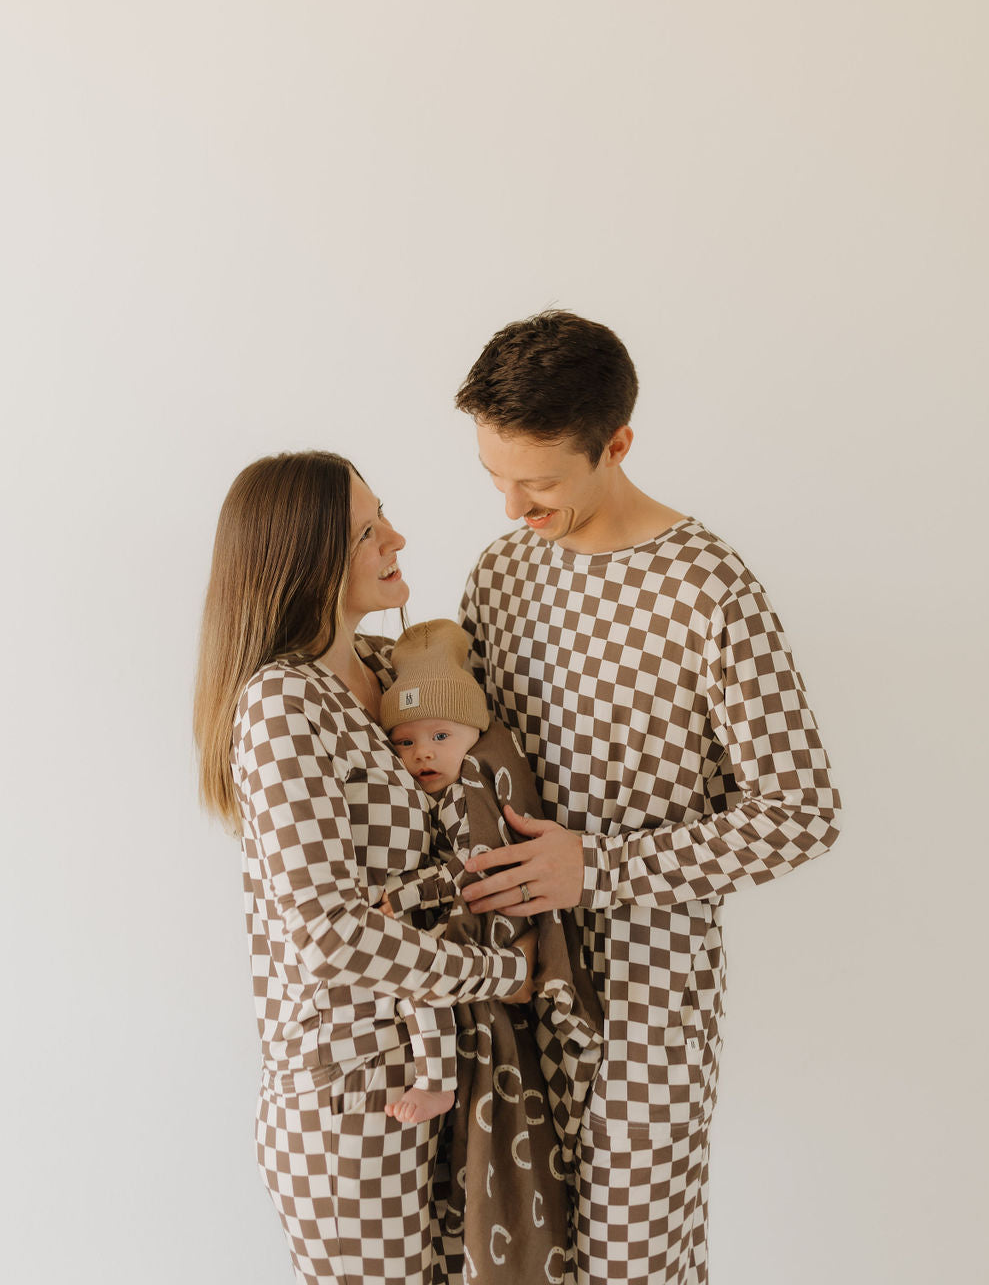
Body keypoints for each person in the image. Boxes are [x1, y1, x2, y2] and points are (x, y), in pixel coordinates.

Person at [452, 311, 842, 1285]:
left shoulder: (708, 589)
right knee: (518, 1258)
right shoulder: (500, 575)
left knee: (636, 1259)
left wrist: (599, 867)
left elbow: (800, 813)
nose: (510, 506)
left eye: (538, 482)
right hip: (509, 974)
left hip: (653, 984)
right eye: (493, 476)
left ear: (616, 444)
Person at [193, 452, 536, 1285]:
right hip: (347, 1094)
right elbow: (329, 935)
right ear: (305, 558)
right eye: (368, 532)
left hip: (431, 1066)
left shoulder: (386, 674)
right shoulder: (281, 703)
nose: (398, 539)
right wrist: (497, 972)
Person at [378, 617, 603, 1285]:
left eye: (440, 736)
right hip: (467, 936)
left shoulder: (478, 787)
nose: (424, 753)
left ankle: (439, 1080)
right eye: (407, 741)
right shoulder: (449, 787)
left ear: (473, 735)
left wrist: (410, 889)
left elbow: (472, 867)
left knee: (422, 975)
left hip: (483, 934)